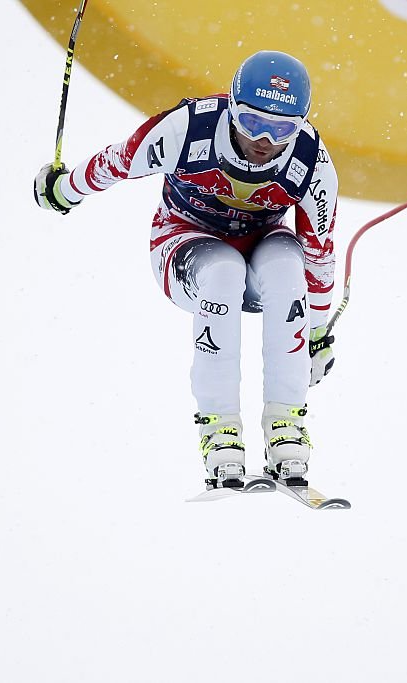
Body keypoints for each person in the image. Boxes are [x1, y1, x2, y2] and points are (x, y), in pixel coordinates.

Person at [33, 51, 338, 490]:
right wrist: (64, 189)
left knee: (287, 262)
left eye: (283, 129)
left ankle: (285, 424)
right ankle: (220, 428)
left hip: (261, 253)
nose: (265, 141)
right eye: (253, 123)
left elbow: (319, 254)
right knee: (222, 271)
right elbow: (116, 162)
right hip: (183, 244)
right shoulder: (186, 128)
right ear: (232, 106)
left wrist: (317, 331)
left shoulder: (310, 162)